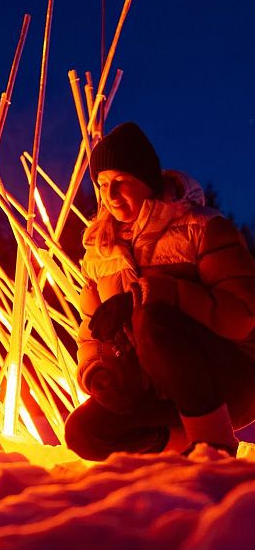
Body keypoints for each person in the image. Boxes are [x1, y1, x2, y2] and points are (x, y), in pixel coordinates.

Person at [65, 121, 255, 460]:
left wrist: (160, 293)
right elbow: (89, 332)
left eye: (121, 182)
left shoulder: (202, 228)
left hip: (232, 381)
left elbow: (241, 317)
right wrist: (96, 374)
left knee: (151, 318)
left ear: (147, 181)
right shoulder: (100, 252)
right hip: (156, 387)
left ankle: (215, 451)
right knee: (84, 432)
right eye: (103, 184)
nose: (110, 196)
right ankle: (181, 447)